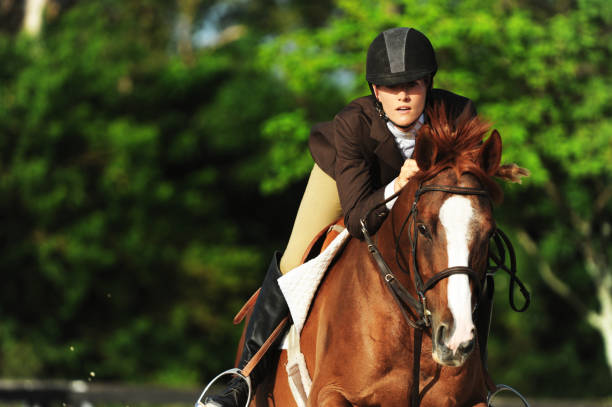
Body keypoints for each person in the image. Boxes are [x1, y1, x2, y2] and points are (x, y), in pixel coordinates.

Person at [203, 27, 487, 407]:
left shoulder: (457, 114)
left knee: (471, 262)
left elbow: (468, 186)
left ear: (429, 84)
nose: (402, 95)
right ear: (375, 91)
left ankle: (480, 377)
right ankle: (243, 379)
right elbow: (357, 219)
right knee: (294, 261)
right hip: (347, 183)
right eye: (390, 86)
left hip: (424, 197)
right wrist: (398, 183)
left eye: (413, 84)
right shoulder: (352, 124)